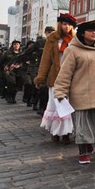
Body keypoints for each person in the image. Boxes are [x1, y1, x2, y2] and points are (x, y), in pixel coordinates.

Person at [53, 19, 95, 164]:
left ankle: (88, 138)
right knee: (83, 124)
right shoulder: (72, 50)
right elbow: (65, 73)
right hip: (81, 94)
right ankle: (83, 150)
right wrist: (60, 92)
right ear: (83, 33)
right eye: (91, 31)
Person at [36, 14, 77, 142]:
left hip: (71, 76)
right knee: (56, 105)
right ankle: (55, 131)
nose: (67, 27)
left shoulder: (75, 40)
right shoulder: (52, 39)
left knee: (67, 105)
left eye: (70, 25)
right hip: (55, 76)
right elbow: (46, 59)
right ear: (60, 25)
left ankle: (66, 133)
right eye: (64, 24)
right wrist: (41, 77)